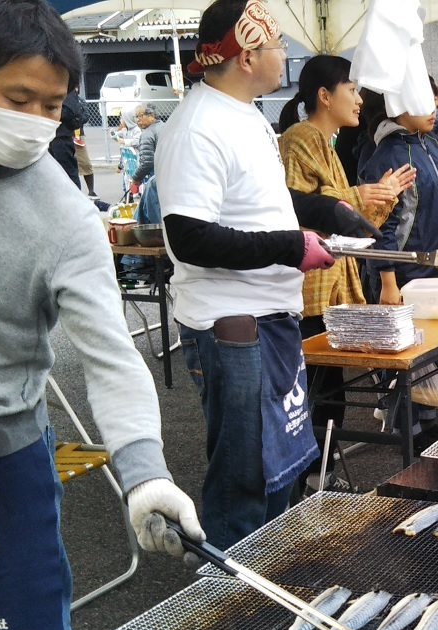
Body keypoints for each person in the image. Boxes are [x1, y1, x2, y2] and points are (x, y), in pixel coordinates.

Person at [0, 1, 205, 630]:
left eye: (52, 105)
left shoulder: (63, 217)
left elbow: (110, 354)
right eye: (18, 100)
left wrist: (145, 472)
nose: (36, 121)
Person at [156, 0, 379, 548]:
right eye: (278, 46)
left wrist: (325, 212)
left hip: (270, 321)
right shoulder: (197, 127)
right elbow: (189, 237)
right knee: (244, 481)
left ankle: (263, 590)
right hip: (233, 328)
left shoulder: (248, 115)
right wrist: (290, 247)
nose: (286, 56)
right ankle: (229, 608)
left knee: (277, 472)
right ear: (247, 55)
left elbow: (265, 203)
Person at [276, 54, 413, 495]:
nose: (359, 99)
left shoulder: (327, 141)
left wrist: (383, 197)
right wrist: (361, 194)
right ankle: (310, 479)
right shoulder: (299, 138)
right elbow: (300, 211)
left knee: (329, 389)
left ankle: (322, 474)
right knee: (316, 388)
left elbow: (346, 216)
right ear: (324, 95)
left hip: (333, 284)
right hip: (312, 287)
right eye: (351, 90)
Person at [362, 95, 438, 448]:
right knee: (400, 354)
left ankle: (426, 420)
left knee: (429, 347)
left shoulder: (429, 143)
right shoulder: (387, 155)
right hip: (401, 274)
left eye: (435, 101)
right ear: (400, 106)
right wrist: (386, 278)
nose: (435, 110)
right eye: (424, 102)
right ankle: (405, 428)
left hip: (433, 268)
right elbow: (380, 225)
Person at [48, 87, 88, 188]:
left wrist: (51, 111)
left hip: (61, 137)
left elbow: (72, 114)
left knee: (68, 174)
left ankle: (75, 202)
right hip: (50, 136)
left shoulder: (66, 89)